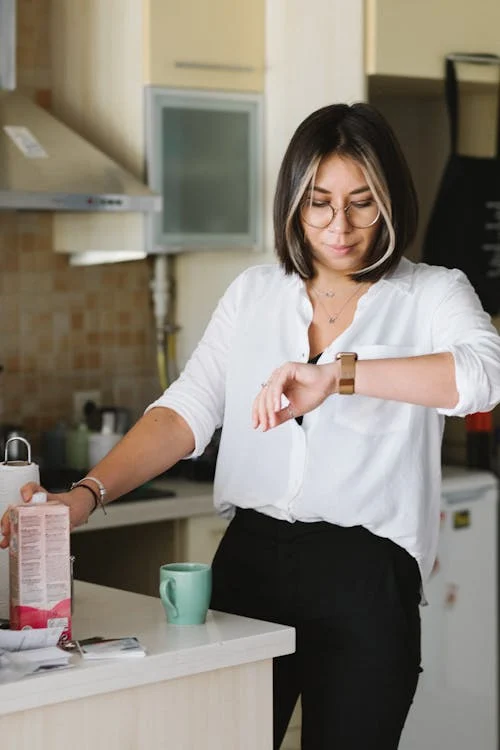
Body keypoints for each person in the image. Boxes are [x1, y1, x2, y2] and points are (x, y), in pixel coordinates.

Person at [3, 102, 500, 749]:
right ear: (293, 203)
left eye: (362, 203)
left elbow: (484, 375)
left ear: (391, 202)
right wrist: (85, 495)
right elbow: (185, 412)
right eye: (319, 202)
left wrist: (338, 375)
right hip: (250, 567)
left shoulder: (432, 293)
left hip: (367, 581)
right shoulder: (254, 293)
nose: (339, 226)